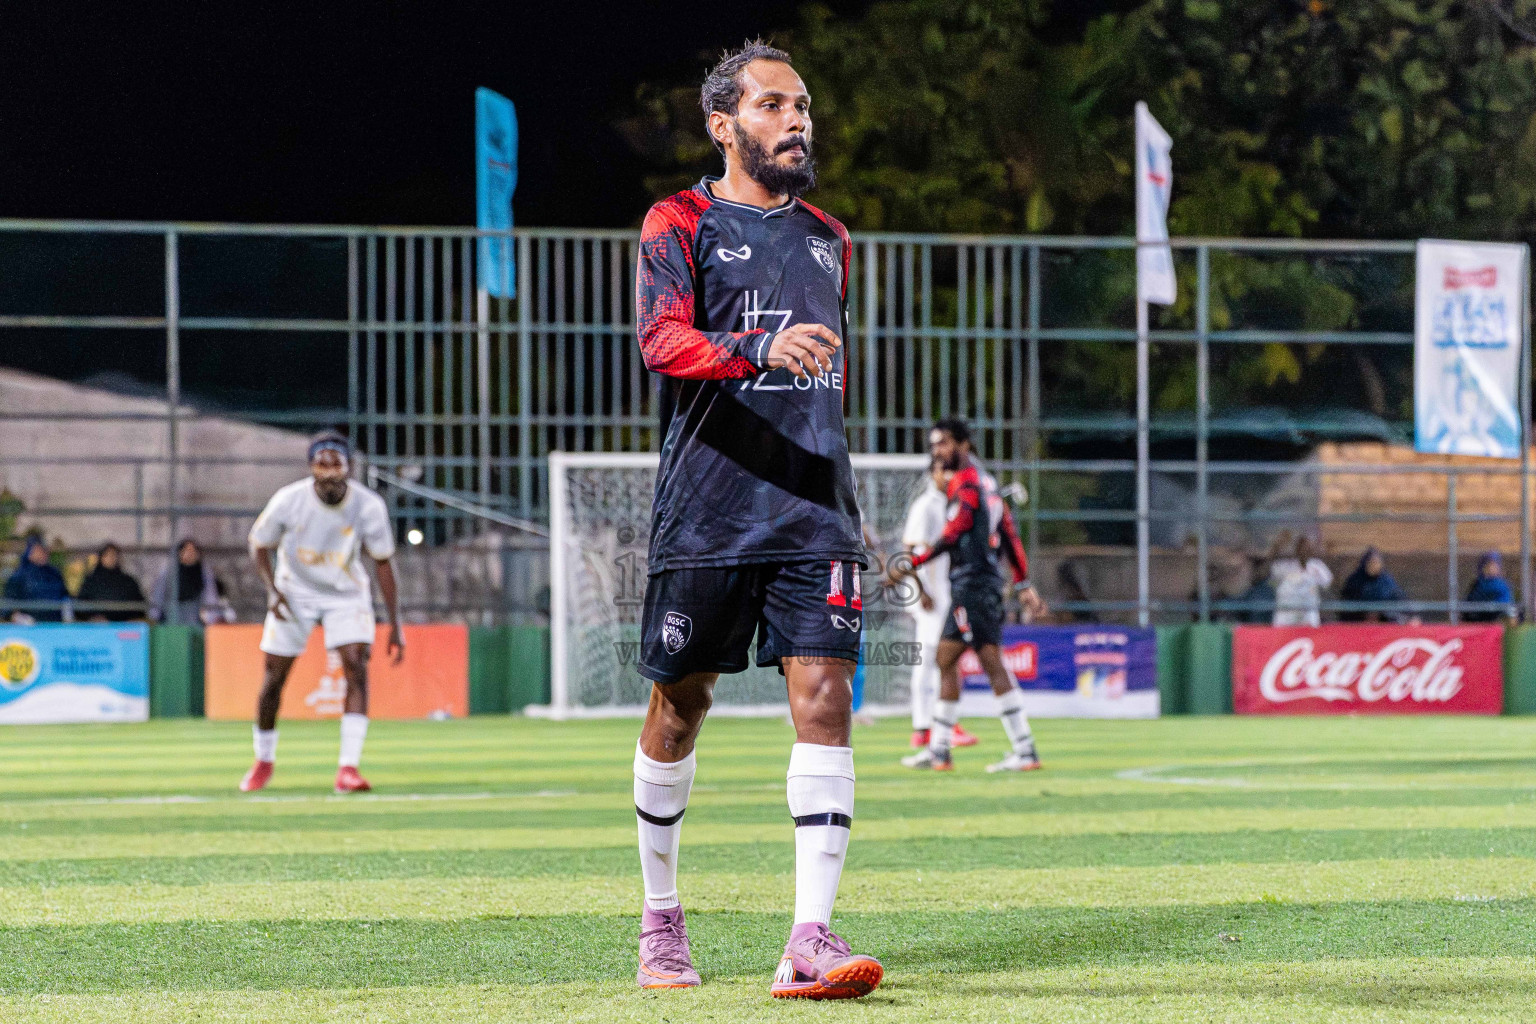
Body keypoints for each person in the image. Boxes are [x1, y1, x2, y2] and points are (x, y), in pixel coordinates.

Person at [627, 41, 881, 999]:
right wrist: (759, 344)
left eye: (804, 104)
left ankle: (807, 939)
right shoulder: (678, 220)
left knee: (827, 703)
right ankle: (661, 918)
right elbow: (661, 339)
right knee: (679, 710)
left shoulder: (831, 236)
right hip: (707, 512)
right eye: (774, 105)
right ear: (723, 124)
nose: (798, 120)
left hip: (816, 511)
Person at [239, 432, 404, 795]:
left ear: (349, 467)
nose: (328, 472)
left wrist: (395, 623)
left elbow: (383, 564)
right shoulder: (289, 500)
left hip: (346, 592)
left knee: (356, 667)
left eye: (336, 464)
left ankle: (348, 769)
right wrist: (272, 590)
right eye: (321, 464)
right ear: (311, 467)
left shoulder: (369, 505)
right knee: (273, 679)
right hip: (293, 590)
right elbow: (259, 543)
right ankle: (263, 760)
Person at [888, 418, 1047, 774]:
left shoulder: (969, 484)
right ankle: (940, 750)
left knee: (990, 663)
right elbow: (1008, 533)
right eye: (933, 445)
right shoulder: (986, 483)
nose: (937, 452)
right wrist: (1022, 584)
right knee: (946, 659)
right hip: (975, 585)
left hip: (973, 586)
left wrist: (909, 563)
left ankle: (1024, 749)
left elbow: (953, 534)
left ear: (963, 444)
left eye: (942, 443)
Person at [899, 457, 978, 749]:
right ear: (932, 472)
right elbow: (909, 551)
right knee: (945, 657)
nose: (947, 476)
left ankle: (923, 728)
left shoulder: (951, 503)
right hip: (931, 595)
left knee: (930, 660)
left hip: (943, 592)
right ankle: (944, 725)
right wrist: (921, 591)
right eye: (942, 470)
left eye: (951, 470)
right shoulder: (926, 505)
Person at [150, 539, 220, 626]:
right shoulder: (169, 571)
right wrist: (155, 615)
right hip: (171, 614)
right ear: (180, 553)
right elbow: (159, 593)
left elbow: (210, 595)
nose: (190, 554)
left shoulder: (204, 572)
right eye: (187, 550)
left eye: (193, 551)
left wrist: (211, 617)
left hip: (195, 615)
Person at [1271, 535, 1332, 627]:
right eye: (1302, 548)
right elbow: (1272, 582)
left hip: (1309, 611)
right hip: (1287, 612)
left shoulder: (1317, 565)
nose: (1305, 551)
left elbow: (1328, 585)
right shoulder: (1283, 565)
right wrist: (1276, 548)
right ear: (1296, 549)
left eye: (1308, 548)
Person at [4, 536, 68, 623]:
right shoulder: (19, 576)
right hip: (29, 629)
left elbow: (65, 597)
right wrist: (17, 617)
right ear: (29, 552)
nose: (42, 553)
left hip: (54, 626)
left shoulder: (54, 574)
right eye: (38, 550)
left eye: (43, 550)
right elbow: (7, 605)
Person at [76, 543, 146, 622]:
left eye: (114, 555)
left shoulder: (129, 581)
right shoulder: (91, 581)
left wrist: (133, 618)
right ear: (101, 558)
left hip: (126, 626)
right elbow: (80, 606)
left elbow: (140, 605)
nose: (111, 558)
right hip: (97, 627)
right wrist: (93, 618)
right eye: (108, 555)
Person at [1338, 547, 1408, 623]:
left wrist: (1380, 613)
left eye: (1376, 562)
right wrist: (1365, 614)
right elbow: (1346, 604)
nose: (1374, 566)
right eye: (1371, 563)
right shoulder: (1354, 581)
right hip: (1359, 620)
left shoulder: (1387, 581)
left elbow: (1400, 601)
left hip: (1384, 619)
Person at [1464, 551, 1517, 622]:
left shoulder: (1502, 585)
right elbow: (1470, 603)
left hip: (1497, 620)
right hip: (1478, 621)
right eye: (1488, 565)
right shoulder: (1477, 584)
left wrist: (1512, 617)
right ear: (1482, 567)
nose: (1492, 568)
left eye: (1495, 565)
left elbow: (1508, 603)